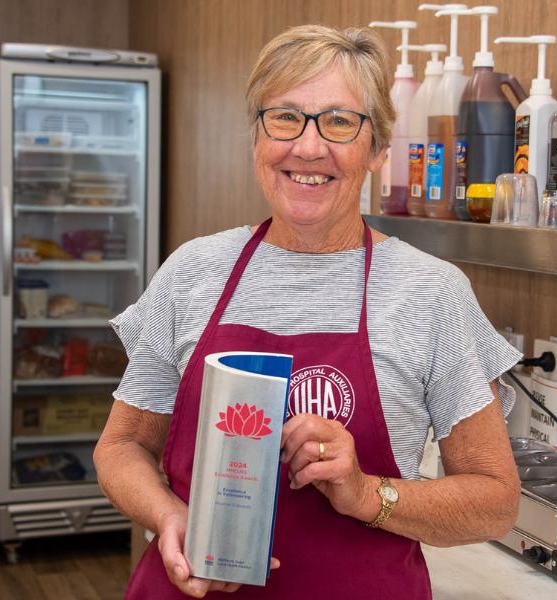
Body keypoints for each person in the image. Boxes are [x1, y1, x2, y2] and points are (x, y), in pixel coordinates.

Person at [94, 24, 522, 600]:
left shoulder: (432, 292)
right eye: (285, 117)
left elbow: (495, 502)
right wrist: (171, 518)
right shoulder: (192, 272)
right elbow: (122, 448)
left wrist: (368, 493)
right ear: (256, 138)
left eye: (340, 122)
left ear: (377, 150)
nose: (309, 147)